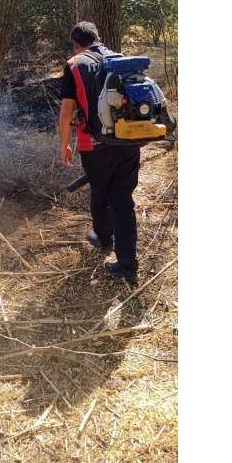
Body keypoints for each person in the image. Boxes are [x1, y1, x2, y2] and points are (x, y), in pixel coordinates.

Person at [59, 21, 142, 285]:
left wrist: (64, 145)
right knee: (123, 199)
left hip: (94, 144)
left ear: (75, 43)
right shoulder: (121, 60)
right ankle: (128, 265)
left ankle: (104, 239)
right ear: (99, 37)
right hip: (128, 140)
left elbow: (66, 112)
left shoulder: (74, 64)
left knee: (99, 191)